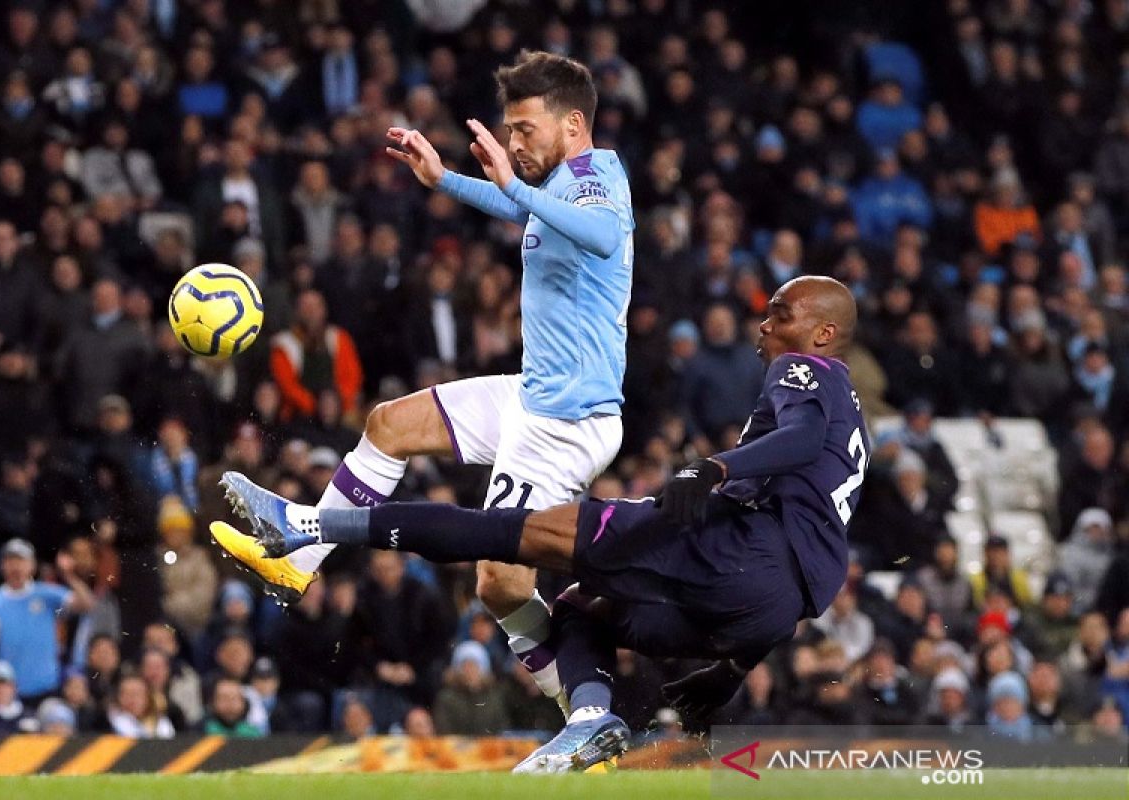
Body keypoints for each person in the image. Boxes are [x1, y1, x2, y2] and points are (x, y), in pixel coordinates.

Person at [222, 276, 866, 772]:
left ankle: (307, 524)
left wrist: (714, 470)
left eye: (781, 313)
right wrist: (729, 671)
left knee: (514, 534)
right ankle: (590, 717)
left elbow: (801, 436)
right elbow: (806, 549)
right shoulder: (855, 423)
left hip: (733, 551)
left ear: (823, 334)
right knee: (582, 607)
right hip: (766, 612)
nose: (765, 322)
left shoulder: (806, 372)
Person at [213, 50, 634, 716]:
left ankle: (584, 710)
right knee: (390, 425)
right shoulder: (555, 187)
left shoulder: (598, 172)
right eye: (511, 129)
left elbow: (606, 238)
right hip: (532, 397)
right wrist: (446, 181)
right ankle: (297, 560)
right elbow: (522, 209)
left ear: (574, 125)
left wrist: (516, 188)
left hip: (568, 421)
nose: (515, 142)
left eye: (525, 129)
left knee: (497, 581)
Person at [0, 538, 94, 704]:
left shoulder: (47, 593)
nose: (16, 567)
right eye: (11, 561)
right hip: (8, 690)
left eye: (21, 561)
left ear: (32, 565)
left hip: (47, 686)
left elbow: (86, 604)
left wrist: (68, 575)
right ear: (3, 565)